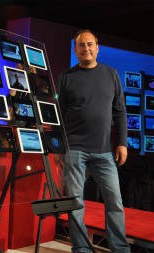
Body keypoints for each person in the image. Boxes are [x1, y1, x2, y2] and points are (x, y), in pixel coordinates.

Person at [56, 29, 130, 253]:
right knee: (76, 204)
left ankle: (120, 248)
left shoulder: (111, 74)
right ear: (75, 49)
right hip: (74, 149)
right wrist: (59, 149)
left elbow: (120, 111)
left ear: (97, 48)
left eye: (90, 44)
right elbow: (58, 115)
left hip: (104, 151)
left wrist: (123, 143)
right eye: (81, 45)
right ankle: (81, 249)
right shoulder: (66, 78)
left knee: (115, 203)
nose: (86, 49)